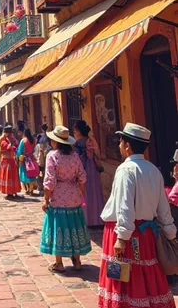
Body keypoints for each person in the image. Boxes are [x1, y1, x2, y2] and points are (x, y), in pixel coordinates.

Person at [98, 123, 176, 308]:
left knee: (124, 277)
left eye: (121, 142)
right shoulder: (153, 171)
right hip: (147, 235)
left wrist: (122, 237)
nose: (119, 146)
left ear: (127, 145)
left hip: (126, 233)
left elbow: (125, 207)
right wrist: (170, 233)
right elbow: (163, 208)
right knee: (147, 275)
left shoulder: (126, 170)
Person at [40, 125, 91, 272]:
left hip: (58, 196)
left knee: (59, 227)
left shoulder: (53, 156)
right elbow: (82, 177)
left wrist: (45, 199)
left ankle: (59, 263)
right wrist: (82, 195)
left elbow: (49, 181)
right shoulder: (75, 156)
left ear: (55, 142)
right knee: (74, 226)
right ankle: (77, 260)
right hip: (74, 195)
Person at [73, 120, 104, 226]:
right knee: (95, 193)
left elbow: (76, 159)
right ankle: (97, 219)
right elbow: (98, 154)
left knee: (84, 194)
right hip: (94, 170)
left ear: (78, 131)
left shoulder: (77, 144)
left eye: (75, 131)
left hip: (83, 171)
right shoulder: (92, 141)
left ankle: (85, 220)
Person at [0, 124, 22, 199]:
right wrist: (11, 142)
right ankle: (9, 193)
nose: (11, 135)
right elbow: (7, 147)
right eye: (10, 133)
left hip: (12, 160)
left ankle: (15, 191)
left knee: (14, 176)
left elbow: (17, 145)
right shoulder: (2, 141)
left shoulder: (12, 139)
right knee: (8, 176)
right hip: (6, 161)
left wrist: (13, 141)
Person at [17, 127, 39, 195]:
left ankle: (27, 190)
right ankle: (32, 189)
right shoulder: (33, 140)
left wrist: (18, 157)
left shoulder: (23, 141)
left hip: (24, 159)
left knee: (25, 174)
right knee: (32, 173)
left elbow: (20, 151)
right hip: (32, 158)